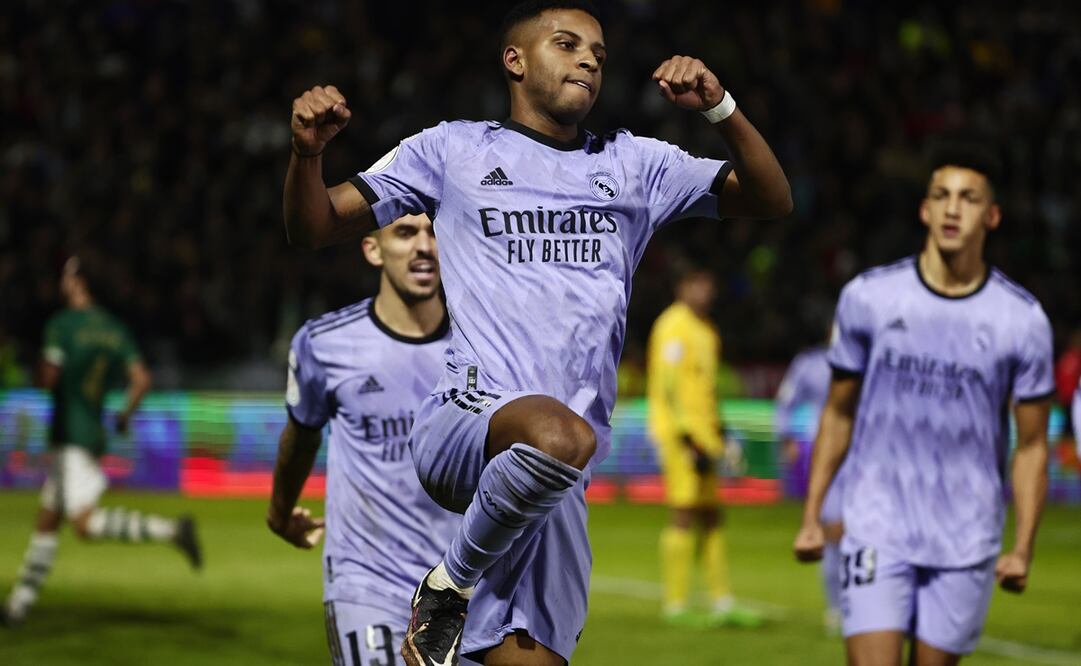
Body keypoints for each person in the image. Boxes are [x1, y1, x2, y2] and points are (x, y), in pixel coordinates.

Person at [283, 1, 791, 663]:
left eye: (599, 54)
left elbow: (771, 199)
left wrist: (720, 108)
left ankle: (450, 596)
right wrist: (306, 155)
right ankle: (446, 588)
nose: (587, 58)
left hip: (556, 481)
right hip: (465, 424)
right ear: (514, 60)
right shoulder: (451, 151)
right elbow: (314, 226)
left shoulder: (638, 165)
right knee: (558, 430)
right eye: (567, 43)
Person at [793, 145, 1053, 665]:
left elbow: (1031, 446)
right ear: (925, 210)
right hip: (877, 522)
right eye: (942, 195)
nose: (953, 208)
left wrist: (1022, 545)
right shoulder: (870, 298)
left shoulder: (1021, 321)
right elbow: (839, 413)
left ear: (992, 215)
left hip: (967, 535)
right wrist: (813, 513)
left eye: (969, 198)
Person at [267, 214, 475, 665]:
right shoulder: (325, 344)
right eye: (405, 233)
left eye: (436, 232)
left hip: (461, 586)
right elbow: (300, 440)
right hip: (367, 583)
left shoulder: (486, 346)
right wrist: (279, 513)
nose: (425, 246)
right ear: (373, 249)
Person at [2, 256, 202, 626]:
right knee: (48, 520)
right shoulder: (115, 330)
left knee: (84, 525)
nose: (62, 278)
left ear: (78, 281)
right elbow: (142, 380)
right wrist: (124, 416)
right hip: (91, 428)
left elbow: (48, 378)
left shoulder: (62, 325)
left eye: (67, 272)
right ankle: (17, 607)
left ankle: (173, 530)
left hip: (71, 434)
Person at [646, 267, 762, 628]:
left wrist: (721, 432)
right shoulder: (673, 326)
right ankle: (676, 604)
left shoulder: (707, 330)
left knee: (712, 514)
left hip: (705, 436)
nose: (704, 291)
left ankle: (721, 600)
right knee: (684, 510)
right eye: (697, 283)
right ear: (682, 287)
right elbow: (668, 385)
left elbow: (706, 389)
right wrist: (686, 436)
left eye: (708, 284)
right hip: (682, 436)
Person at [774, 336, 840, 632]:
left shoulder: (876, 353)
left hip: (870, 451)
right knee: (835, 529)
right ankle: (837, 607)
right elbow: (787, 399)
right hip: (826, 448)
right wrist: (786, 436)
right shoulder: (811, 363)